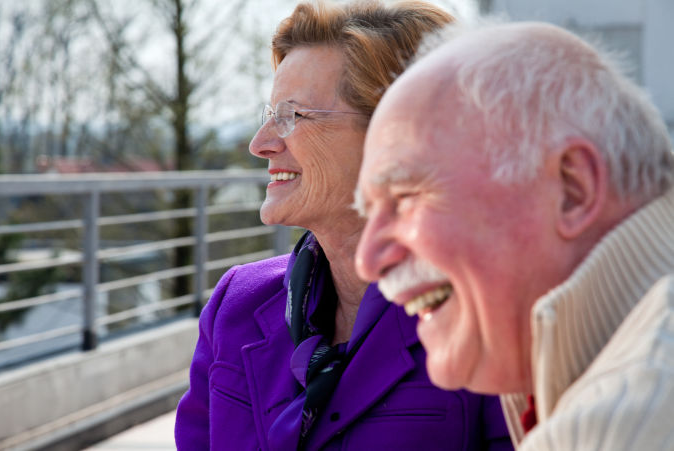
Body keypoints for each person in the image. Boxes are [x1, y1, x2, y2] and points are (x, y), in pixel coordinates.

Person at [175, 1, 512, 450]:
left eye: (292, 116)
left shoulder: (497, 321)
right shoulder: (237, 307)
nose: (261, 144)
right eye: (270, 115)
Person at [354, 19, 674, 450]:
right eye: (369, 212)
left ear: (573, 190)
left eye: (406, 196)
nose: (368, 261)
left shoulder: (617, 427)